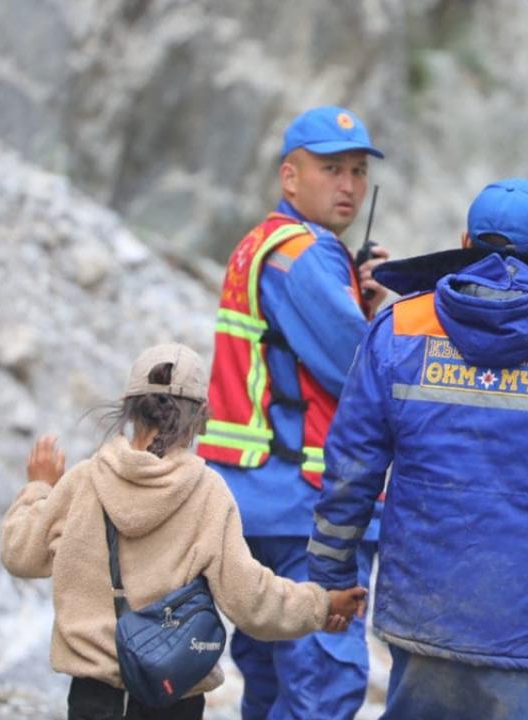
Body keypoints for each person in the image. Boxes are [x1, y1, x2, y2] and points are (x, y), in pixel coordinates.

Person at [307, 178, 528, 720]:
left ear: (464, 241)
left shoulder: (400, 328)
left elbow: (350, 471)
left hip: (426, 620)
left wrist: (331, 575)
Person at [0, 343, 367, 720]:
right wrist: (321, 605)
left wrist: (39, 488)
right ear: (201, 417)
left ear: (128, 407)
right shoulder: (206, 493)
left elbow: (20, 555)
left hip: (93, 698)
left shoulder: (83, 482)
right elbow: (251, 600)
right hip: (173, 693)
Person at [193, 106, 388, 720]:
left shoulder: (260, 245)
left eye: (358, 171)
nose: (349, 185)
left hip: (249, 498)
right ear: (290, 176)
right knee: (323, 680)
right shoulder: (305, 254)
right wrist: (383, 316)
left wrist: (355, 293)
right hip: (310, 503)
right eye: (331, 169)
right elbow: (360, 368)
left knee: (268, 673)